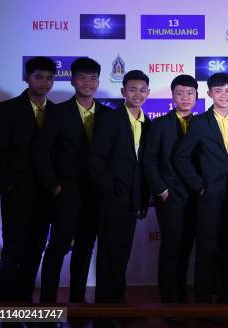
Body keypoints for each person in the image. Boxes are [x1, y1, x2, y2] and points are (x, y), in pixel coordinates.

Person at [33, 57, 111, 303]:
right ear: (73, 80)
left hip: (95, 194)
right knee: (57, 248)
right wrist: (54, 185)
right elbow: (41, 151)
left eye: (93, 78)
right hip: (65, 193)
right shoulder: (57, 113)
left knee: (85, 248)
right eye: (82, 78)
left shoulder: (109, 115)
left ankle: (78, 301)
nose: (88, 83)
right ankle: (47, 302)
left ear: (98, 81)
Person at [173, 72, 228, 307]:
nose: (223, 95)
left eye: (227, 91)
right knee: (206, 248)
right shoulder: (200, 123)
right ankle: (203, 300)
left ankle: (222, 294)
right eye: (218, 91)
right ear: (209, 94)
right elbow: (181, 157)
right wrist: (199, 186)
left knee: (223, 247)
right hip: (208, 196)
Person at [0, 56, 56, 303]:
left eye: (49, 77)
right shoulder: (7, 109)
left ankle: (25, 300)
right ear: (26, 78)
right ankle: (8, 305)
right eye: (38, 77)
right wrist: (8, 187)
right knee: (13, 251)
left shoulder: (56, 111)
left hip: (46, 195)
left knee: (35, 251)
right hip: (16, 194)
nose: (45, 82)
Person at [88, 70, 151, 304]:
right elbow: (95, 159)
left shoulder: (147, 123)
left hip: (133, 199)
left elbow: (143, 166)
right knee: (109, 253)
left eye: (142, 89)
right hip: (113, 198)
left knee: (123, 252)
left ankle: (118, 299)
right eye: (132, 89)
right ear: (123, 91)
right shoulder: (111, 119)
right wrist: (110, 189)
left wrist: (143, 199)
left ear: (148, 93)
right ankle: (106, 304)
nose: (138, 94)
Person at [142, 74, 199, 308]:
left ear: (197, 95)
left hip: (196, 197)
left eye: (190, 93)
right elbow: (149, 161)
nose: (185, 98)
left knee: (186, 248)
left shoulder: (202, 123)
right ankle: (169, 299)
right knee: (171, 249)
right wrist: (162, 191)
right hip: (170, 197)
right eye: (180, 93)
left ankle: (181, 294)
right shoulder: (160, 125)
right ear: (172, 95)